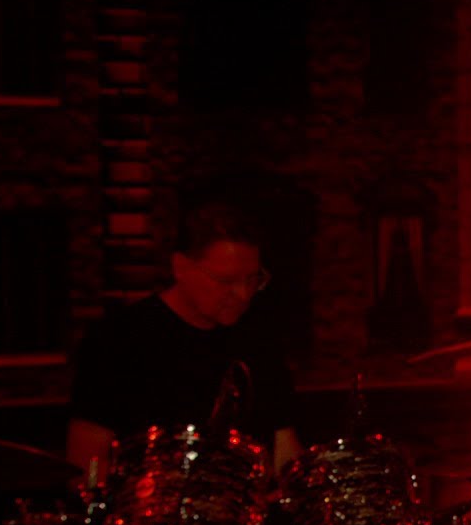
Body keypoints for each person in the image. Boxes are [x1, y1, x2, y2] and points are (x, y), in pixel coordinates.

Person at [67, 195, 303, 485]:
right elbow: (88, 460)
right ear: (181, 267)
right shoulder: (119, 339)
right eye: (226, 281)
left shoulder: (259, 339)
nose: (243, 295)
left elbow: (283, 448)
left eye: (253, 280)